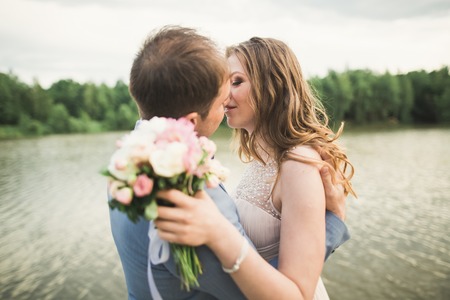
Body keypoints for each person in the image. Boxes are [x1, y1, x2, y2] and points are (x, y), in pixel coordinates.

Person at [109, 26, 350, 300]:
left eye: (236, 82)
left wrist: (332, 222)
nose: (225, 96)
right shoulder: (251, 162)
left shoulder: (299, 163)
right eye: (226, 84)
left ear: (272, 87)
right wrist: (334, 223)